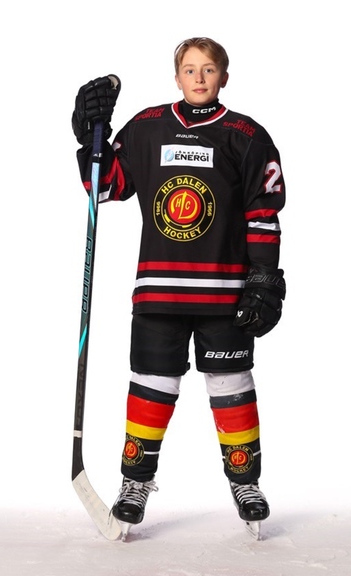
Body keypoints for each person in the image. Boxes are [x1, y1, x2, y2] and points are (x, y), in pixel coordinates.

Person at [72, 37, 286, 537]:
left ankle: (246, 482)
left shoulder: (246, 135)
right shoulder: (147, 127)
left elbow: (263, 213)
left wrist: (263, 278)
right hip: (159, 291)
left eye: (208, 69)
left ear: (223, 76)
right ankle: (135, 483)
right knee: (151, 385)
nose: (199, 77)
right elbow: (106, 187)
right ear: (177, 77)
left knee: (232, 385)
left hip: (225, 292)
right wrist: (89, 142)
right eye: (189, 69)